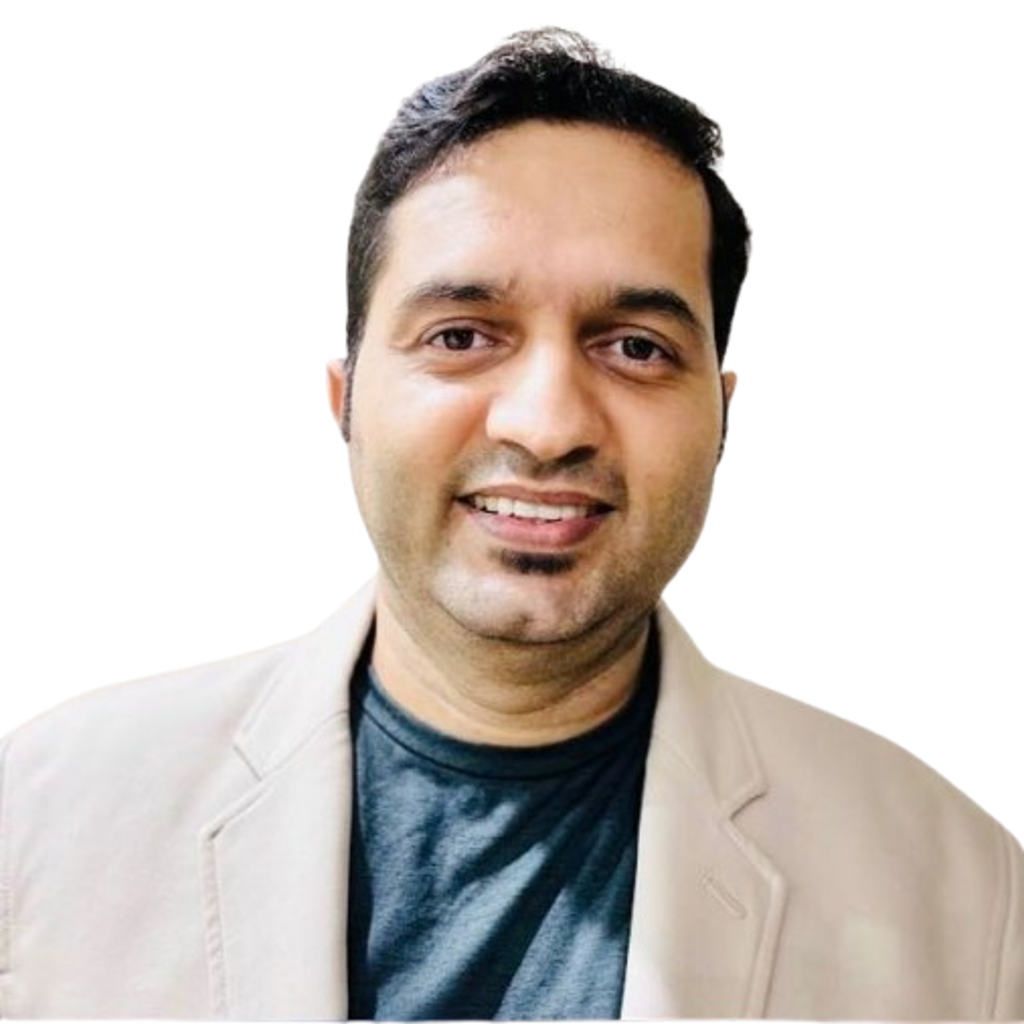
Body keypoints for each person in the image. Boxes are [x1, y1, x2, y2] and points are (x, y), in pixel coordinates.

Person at [1, 27, 1021, 1021]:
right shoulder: (43, 824)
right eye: (461, 336)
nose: (546, 424)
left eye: (635, 347)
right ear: (345, 400)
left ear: (722, 416)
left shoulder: (963, 900)